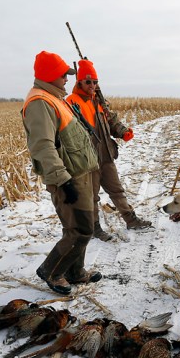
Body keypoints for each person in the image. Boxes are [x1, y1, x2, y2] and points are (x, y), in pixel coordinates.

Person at [21, 50, 101, 296]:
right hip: (67, 177)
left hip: (78, 172)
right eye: (64, 75)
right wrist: (62, 180)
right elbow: (42, 146)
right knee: (78, 229)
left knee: (83, 225)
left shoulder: (53, 97)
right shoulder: (39, 103)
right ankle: (52, 271)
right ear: (50, 75)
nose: (68, 79)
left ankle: (76, 272)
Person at [66, 59, 151, 241]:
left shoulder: (98, 100)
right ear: (79, 82)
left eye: (95, 82)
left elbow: (110, 121)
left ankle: (131, 220)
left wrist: (122, 132)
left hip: (106, 155)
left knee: (117, 191)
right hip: (88, 160)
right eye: (88, 81)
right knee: (92, 197)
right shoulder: (72, 102)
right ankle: (95, 228)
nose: (92, 85)